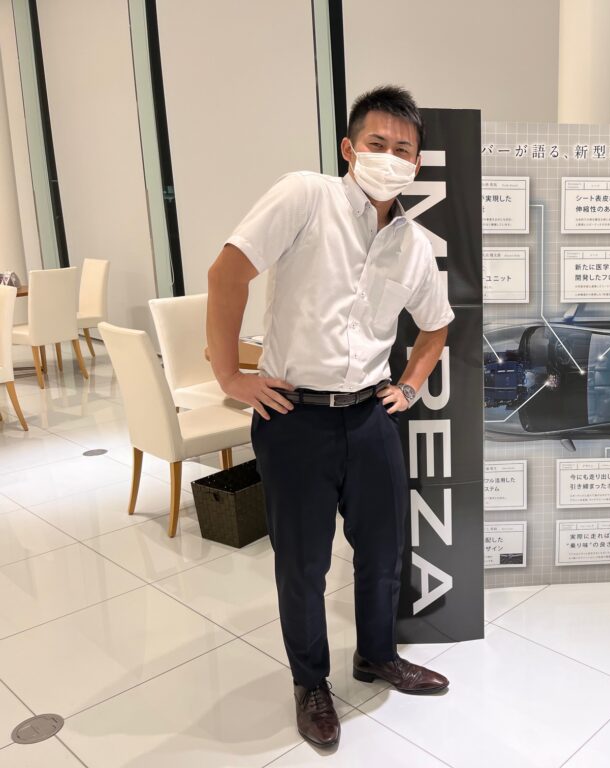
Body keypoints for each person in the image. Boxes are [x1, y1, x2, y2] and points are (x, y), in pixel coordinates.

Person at [207, 85, 452, 749]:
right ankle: (310, 682)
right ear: (349, 148)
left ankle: (377, 655)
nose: (390, 157)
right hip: (295, 417)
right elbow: (227, 274)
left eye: (404, 149)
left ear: (417, 163)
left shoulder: (413, 243)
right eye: (378, 143)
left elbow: (436, 326)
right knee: (303, 564)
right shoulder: (305, 197)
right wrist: (230, 376)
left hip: (370, 417)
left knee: (382, 552)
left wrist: (410, 385)